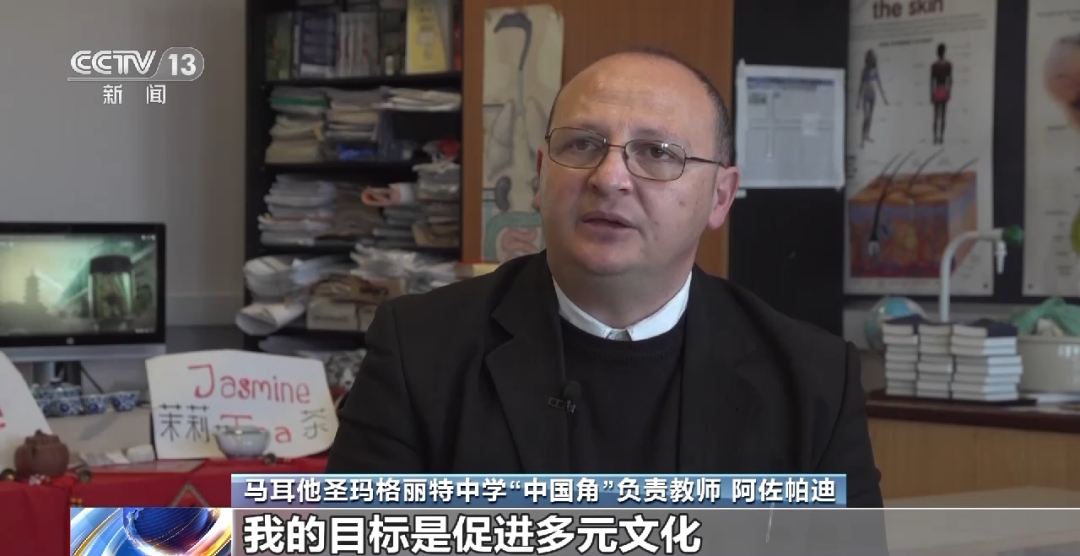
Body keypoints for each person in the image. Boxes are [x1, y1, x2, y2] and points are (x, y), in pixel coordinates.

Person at [327, 47, 884, 509]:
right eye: (582, 145)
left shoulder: (814, 381)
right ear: (541, 176)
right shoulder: (419, 350)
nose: (609, 176)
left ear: (720, 196)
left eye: (658, 152)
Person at [857, 49, 888, 148]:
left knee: (870, 118)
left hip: (873, 96)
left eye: (872, 58)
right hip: (866, 96)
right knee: (866, 117)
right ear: (867, 59)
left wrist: (884, 98)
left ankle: (867, 135)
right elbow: (861, 85)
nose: (871, 60)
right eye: (870, 58)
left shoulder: (875, 71)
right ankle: (862, 140)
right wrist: (858, 100)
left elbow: (879, 85)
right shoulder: (864, 71)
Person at [931, 43, 952, 144]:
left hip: (937, 89)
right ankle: (942, 137)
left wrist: (931, 94)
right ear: (944, 52)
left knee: (936, 116)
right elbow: (950, 80)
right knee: (943, 116)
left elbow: (932, 81)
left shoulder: (934, 66)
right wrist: (949, 92)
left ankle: (935, 137)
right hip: (944, 89)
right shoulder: (948, 65)